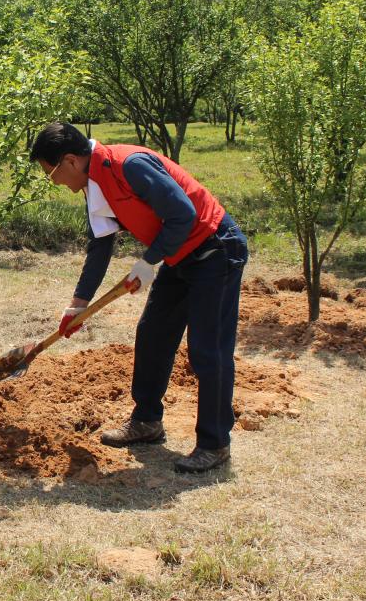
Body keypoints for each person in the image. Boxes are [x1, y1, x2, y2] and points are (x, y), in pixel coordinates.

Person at [29, 122, 248, 473]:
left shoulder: (129, 165)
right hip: (180, 254)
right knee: (153, 335)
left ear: (70, 161)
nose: (56, 183)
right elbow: (101, 244)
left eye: (52, 173)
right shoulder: (95, 185)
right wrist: (79, 304)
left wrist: (148, 262)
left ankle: (214, 442)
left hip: (214, 249)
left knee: (208, 350)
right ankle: (147, 421)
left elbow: (183, 214)